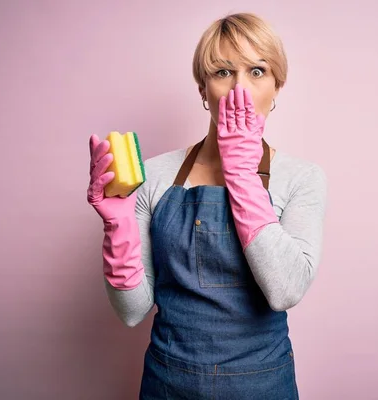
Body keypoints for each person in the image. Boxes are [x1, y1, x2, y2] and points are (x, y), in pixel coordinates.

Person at [87, 12, 327, 400]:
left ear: (277, 88)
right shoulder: (156, 175)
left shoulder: (301, 178)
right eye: (222, 73)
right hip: (168, 384)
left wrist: (243, 177)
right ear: (203, 89)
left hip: (262, 384)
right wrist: (117, 224)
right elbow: (131, 311)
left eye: (257, 71)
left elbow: (285, 291)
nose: (240, 90)